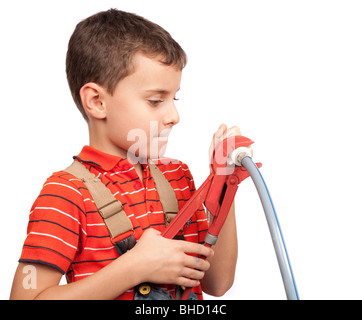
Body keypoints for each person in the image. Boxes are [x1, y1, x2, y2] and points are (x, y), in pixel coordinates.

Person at [10, 9, 239, 300]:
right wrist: (134, 267)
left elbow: (216, 284)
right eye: (156, 100)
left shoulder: (178, 178)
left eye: (174, 97)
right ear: (97, 102)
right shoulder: (65, 194)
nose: (174, 115)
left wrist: (224, 185)